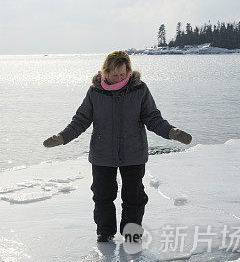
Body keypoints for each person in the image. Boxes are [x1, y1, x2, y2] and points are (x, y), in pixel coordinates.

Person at [43, 50, 192, 243]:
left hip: (133, 153)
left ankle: (131, 234)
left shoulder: (139, 90)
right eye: (115, 75)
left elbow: (153, 118)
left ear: (129, 71)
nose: (120, 78)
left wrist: (172, 132)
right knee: (102, 195)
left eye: (123, 74)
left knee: (134, 197)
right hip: (102, 155)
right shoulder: (95, 92)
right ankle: (104, 232)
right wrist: (62, 137)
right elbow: (81, 120)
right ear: (105, 72)